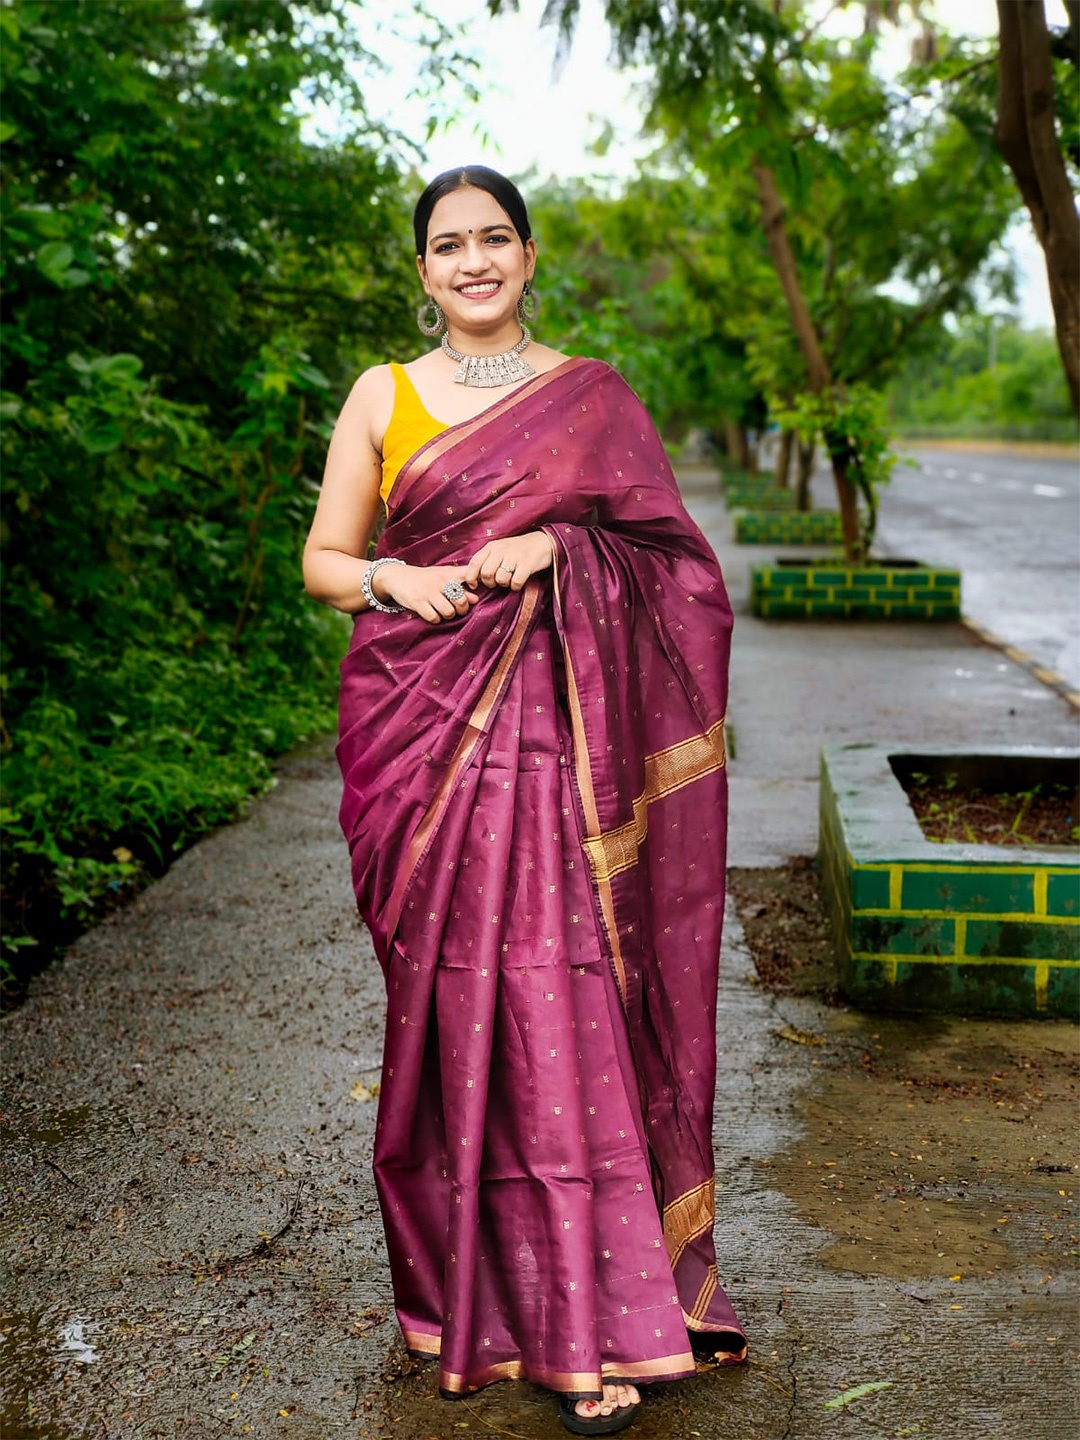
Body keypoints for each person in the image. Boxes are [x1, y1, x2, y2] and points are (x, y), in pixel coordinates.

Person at [303, 165, 746, 1436]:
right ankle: (470, 1305)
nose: (474, 262)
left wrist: (559, 547)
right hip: (419, 741)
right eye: (449, 246)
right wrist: (396, 579)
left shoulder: (591, 398)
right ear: (423, 269)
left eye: (495, 239)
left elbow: (675, 563)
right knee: (451, 1015)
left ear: (532, 255)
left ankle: (596, 1322)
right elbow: (326, 559)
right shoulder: (382, 396)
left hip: (561, 742)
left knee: (563, 1002)